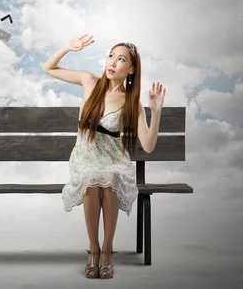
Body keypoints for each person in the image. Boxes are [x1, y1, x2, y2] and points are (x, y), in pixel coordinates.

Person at [42, 34, 166, 279]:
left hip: (113, 159)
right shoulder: (89, 81)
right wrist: (67, 47)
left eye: (121, 60)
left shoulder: (132, 102)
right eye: (111, 56)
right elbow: (48, 67)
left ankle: (108, 249)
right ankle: (94, 249)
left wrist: (156, 113)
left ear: (131, 69)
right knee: (92, 178)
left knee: (108, 178)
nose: (113, 62)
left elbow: (148, 146)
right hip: (86, 156)